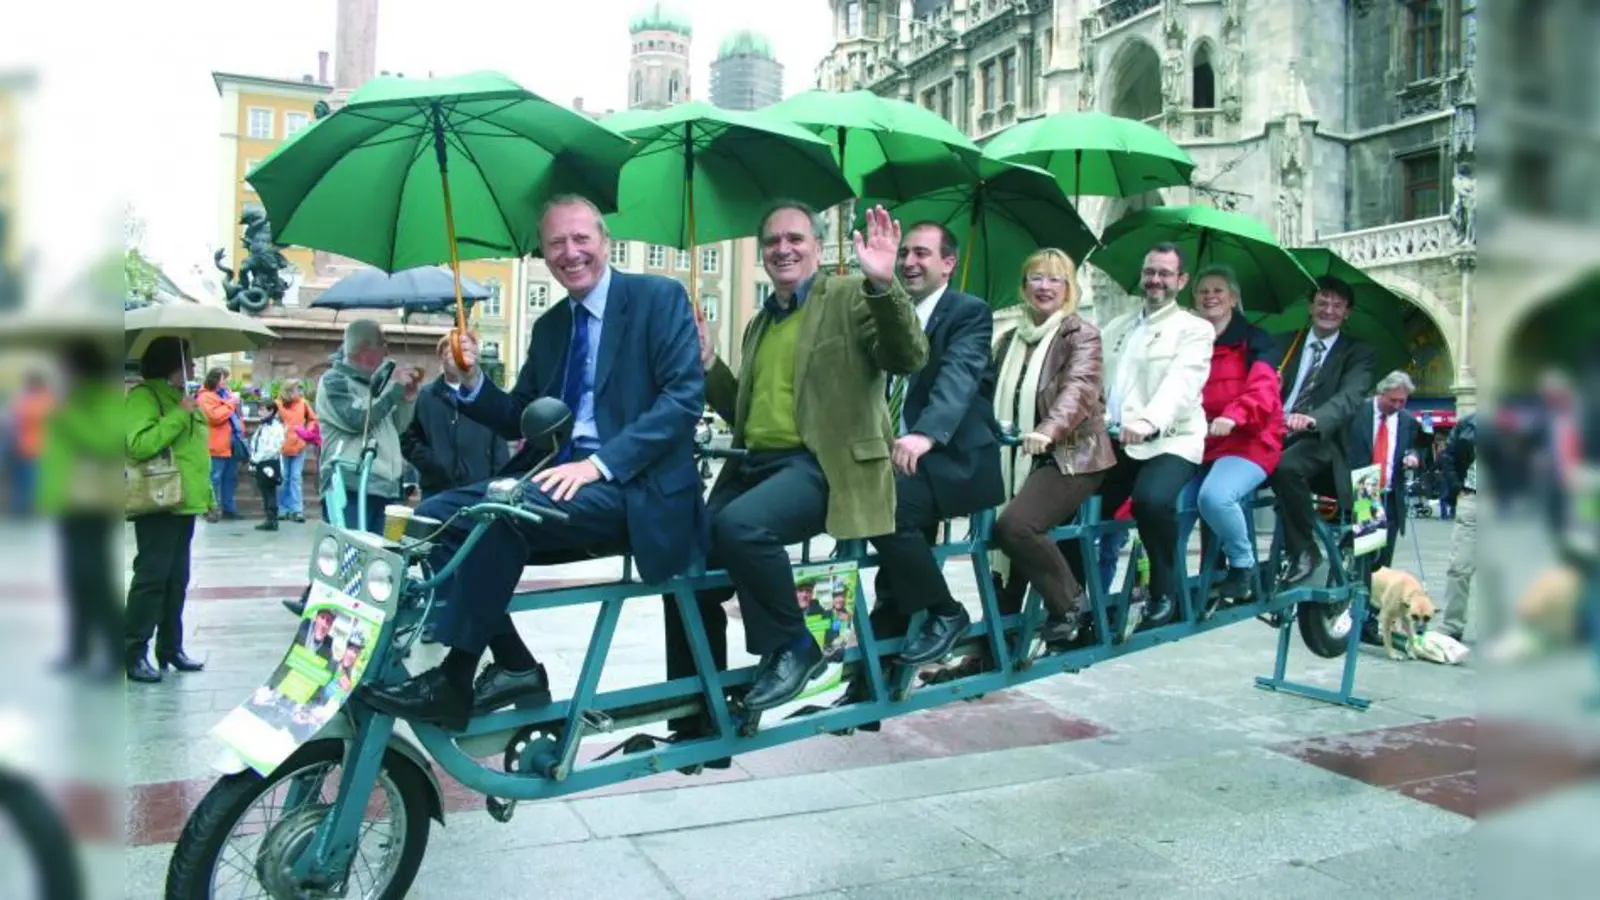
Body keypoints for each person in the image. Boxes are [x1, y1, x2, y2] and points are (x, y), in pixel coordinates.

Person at [358, 194, 707, 731]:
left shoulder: (658, 298)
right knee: (435, 516)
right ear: (544, 254)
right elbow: (518, 417)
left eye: (581, 238)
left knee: (502, 513)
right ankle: (515, 665)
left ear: (605, 242)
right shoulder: (551, 327)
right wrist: (469, 381)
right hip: (555, 482)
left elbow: (683, 401)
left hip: (636, 486)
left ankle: (455, 678)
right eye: (556, 243)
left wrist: (599, 465)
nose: (570, 252)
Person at [664, 200, 928, 722]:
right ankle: (698, 716)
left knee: (741, 527)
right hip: (756, 466)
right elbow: (743, 412)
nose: (782, 249)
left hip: (818, 465)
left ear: (818, 246)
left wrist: (883, 284)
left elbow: (908, 355)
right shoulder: (761, 322)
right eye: (772, 241)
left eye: (795, 239)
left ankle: (795, 645)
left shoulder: (849, 294)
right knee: (684, 567)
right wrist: (708, 364)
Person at [855, 221, 1004, 667]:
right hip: (894, 459)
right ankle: (874, 679)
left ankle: (947, 612)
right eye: (904, 253)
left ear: (948, 263)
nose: (909, 262)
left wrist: (925, 433)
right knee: (893, 578)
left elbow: (960, 375)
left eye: (922, 253)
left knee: (886, 513)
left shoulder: (968, 312)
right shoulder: (888, 313)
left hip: (949, 458)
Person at [986, 248, 1115, 647]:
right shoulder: (1009, 339)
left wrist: (1049, 429)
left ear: (1069, 288)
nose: (1044, 286)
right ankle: (996, 649)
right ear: (1023, 285)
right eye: (1036, 278)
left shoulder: (1081, 335)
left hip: (1073, 454)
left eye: (1055, 279)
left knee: (1015, 526)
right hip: (1014, 454)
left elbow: (1079, 389)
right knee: (994, 543)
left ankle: (1069, 602)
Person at [1096, 242, 1215, 628]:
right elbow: (1097, 382)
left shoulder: (1194, 329)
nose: (1155, 280)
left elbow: (1182, 383)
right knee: (1073, 503)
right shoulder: (1117, 327)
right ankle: (1075, 600)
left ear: (1181, 281)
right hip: (1119, 441)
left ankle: (1165, 592)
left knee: (1151, 500)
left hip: (1172, 439)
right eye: (1150, 272)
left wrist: (1149, 421)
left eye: (1165, 273)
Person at [1181, 264, 1285, 600]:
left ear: (1233, 298)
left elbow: (1263, 390)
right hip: (1202, 442)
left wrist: (1234, 415)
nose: (1210, 296)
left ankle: (1243, 566)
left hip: (1250, 440)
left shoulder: (1257, 340)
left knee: (1215, 497)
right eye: (1203, 291)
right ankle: (1168, 588)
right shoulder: (1189, 342)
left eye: (1218, 291)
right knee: (1167, 508)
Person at [1264, 276, 1377, 584]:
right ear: (1310, 306)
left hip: (1348, 462)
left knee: (1373, 546)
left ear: (1347, 312)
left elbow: (1348, 399)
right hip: (1278, 438)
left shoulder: (1360, 355)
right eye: (1323, 303)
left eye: (1338, 305)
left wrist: (1313, 419)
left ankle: (1317, 557)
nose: (1329, 310)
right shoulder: (1284, 344)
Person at [124, 337, 213, 683]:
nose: (193, 367)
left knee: (177, 580)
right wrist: (179, 415)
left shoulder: (181, 398)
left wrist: (208, 496)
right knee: (152, 579)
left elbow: (194, 454)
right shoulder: (144, 397)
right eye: (188, 361)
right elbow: (139, 444)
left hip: (184, 502)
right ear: (171, 365)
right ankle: (133, 651)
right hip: (158, 502)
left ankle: (170, 648)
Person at [36, 340, 123, 678]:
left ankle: (115, 651)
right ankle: (78, 649)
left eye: (66, 367)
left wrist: (67, 417)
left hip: (94, 503)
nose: (61, 373)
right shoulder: (69, 401)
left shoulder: (105, 400)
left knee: (94, 579)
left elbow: (106, 442)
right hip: (69, 502)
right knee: (74, 579)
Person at [314, 320, 423, 532]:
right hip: (350, 486)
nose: (387, 352)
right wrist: (394, 388)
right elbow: (358, 419)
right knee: (352, 551)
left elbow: (396, 428)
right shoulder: (335, 381)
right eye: (383, 344)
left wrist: (407, 399)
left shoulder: (377, 384)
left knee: (381, 553)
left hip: (386, 489)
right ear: (364, 349)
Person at [401, 333, 512, 500]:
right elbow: (409, 439)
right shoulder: (427, 396)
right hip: (437, 491)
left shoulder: (489, 396)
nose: (458, 358)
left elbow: (500, 447)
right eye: (451, 353)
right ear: (441, 357)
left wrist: (497, 483)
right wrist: (432, 463)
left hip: (479, 492)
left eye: (465, 352)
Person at [1344, 371, 1422, 571]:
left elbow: (1414, 447)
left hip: (1392, 495)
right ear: (1381, 393)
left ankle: (1376, 592)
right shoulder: (1357, 412)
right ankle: (1362, 589)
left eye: (1402, 401)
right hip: (1365, 487)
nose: (1397, 406)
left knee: (1383, 563)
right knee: (1366, 559)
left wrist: (1413, 456)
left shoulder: (1408, 421)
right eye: (1392, 400)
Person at [1436, 411, 1477, 642]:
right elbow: (1448, 457)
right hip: (1473, 500)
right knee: (1459, 567)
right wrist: (1456, 487)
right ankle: (1451, 626)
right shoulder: (1469, 424)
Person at [196, 367, 244, 522]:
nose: (226, 382)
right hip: (215, 444)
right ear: (215, 379)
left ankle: (229, 509)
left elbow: (235, 415)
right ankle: (213, 510)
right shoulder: (204, 397)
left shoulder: (225, 394)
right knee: (214, 478)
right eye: (224, 378)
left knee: (230, 478)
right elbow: (214, 417)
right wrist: (231, 403)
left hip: (231, 443)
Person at [275, 379, 316, 522]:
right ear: (289, 391)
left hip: (299, 445)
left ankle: (297, 510)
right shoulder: (278, 404)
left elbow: (312, 419)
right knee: (283, 478)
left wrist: (307, 433)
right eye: (298, 389)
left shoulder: (303, 403)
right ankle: (282, 509)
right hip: (282, 446)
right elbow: (273, 420)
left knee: (295, 478)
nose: (300, 392)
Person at [248, 403, 286, 532]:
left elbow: (272, 447)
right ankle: (269, 518)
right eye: (259, 410)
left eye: (262, 410)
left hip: (269, 462)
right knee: (265, 491)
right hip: (261, 462)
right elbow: (256, 443)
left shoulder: (276, 427)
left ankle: (272, 519)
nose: (260, 412)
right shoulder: (263, 426)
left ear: (271, 411)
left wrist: (256, 459)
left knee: (269, 491)